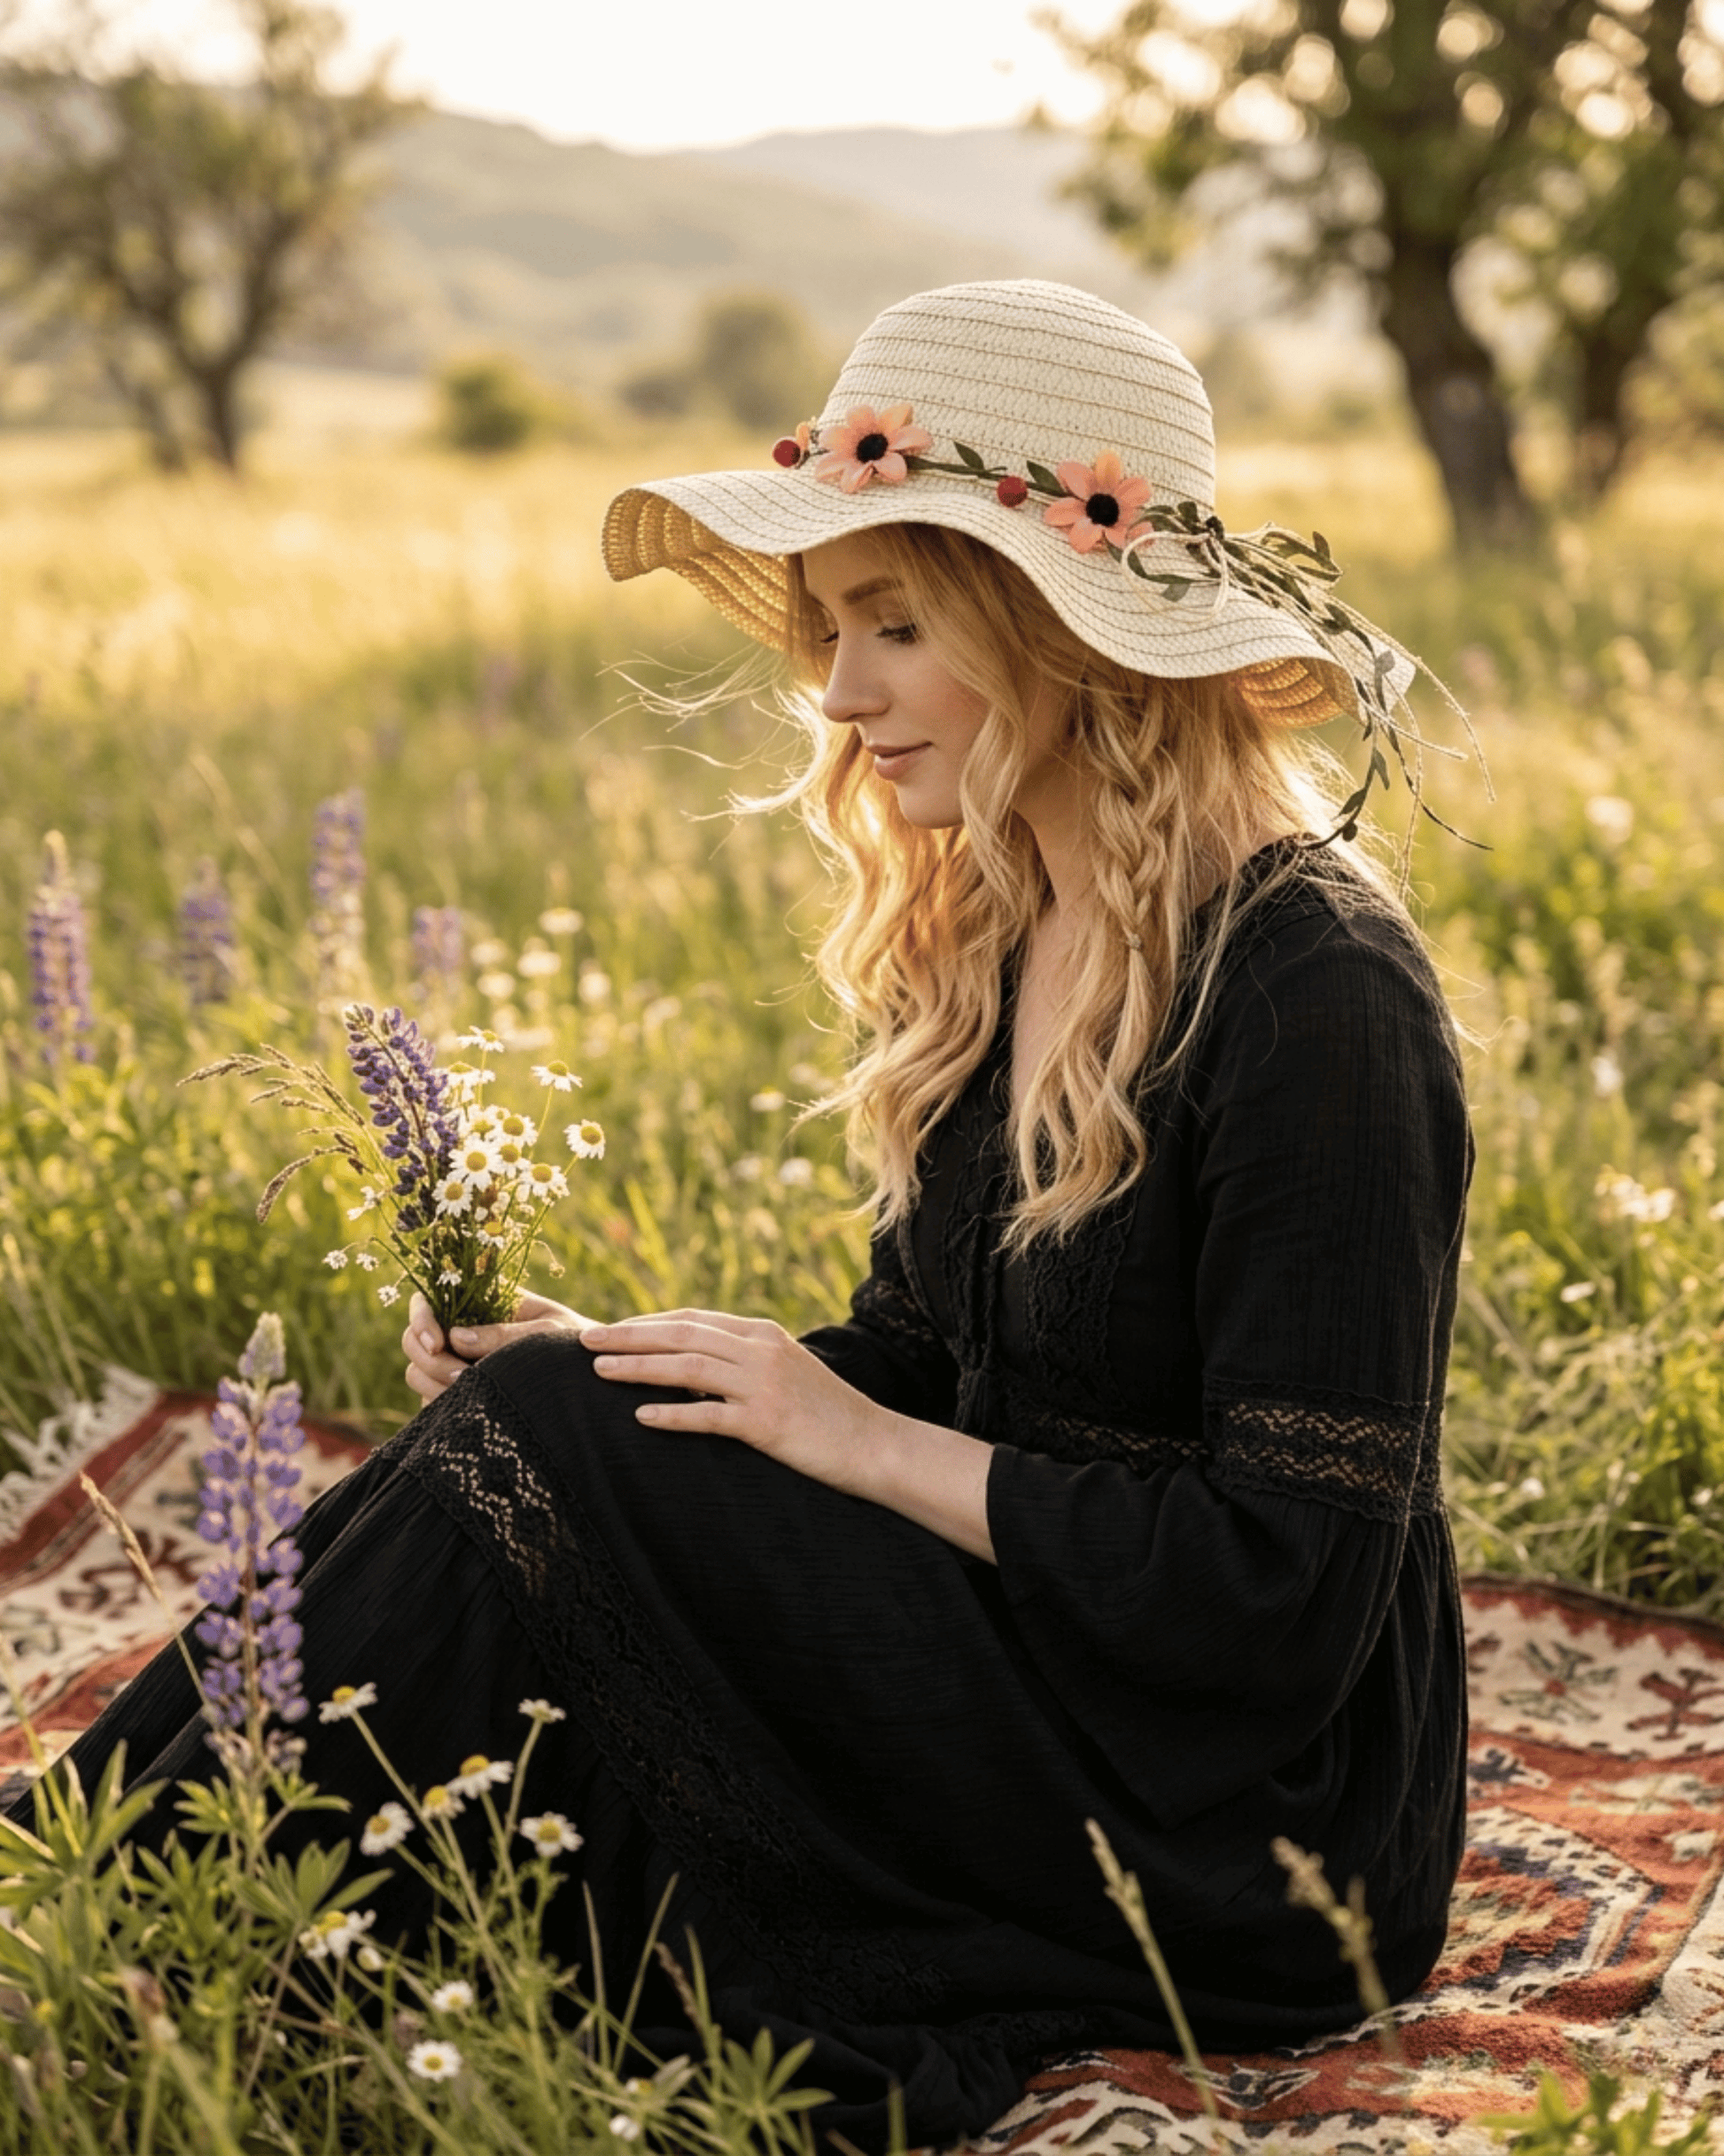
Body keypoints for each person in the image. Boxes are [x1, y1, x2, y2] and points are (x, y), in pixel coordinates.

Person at [29, 280, 1473, 2150]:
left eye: (893, 627)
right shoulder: (1011, 915)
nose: (838, 695)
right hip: (1044, 1644)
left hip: (1240, 1820)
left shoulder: (1315, 995)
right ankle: (125, 1900)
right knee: (560, 1412)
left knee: (571, 1456)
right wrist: (659, 1373)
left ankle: (86, 1904)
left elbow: (1281, 1595)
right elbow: (918, 1359)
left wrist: (850, 1442)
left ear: (1064, 637)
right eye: (829, 631)